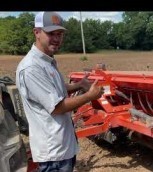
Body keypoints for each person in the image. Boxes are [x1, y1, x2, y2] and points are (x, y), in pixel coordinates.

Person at [16, 11, 103, 172]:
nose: (57, 38)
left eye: (60, 34)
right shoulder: (31, 68)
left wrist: (79, 85)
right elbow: (57, 107)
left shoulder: (47, 61)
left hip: (63, 145)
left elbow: (54, 89)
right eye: (51, 33)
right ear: (37, 32)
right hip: (53, 153)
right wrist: (90, 95)